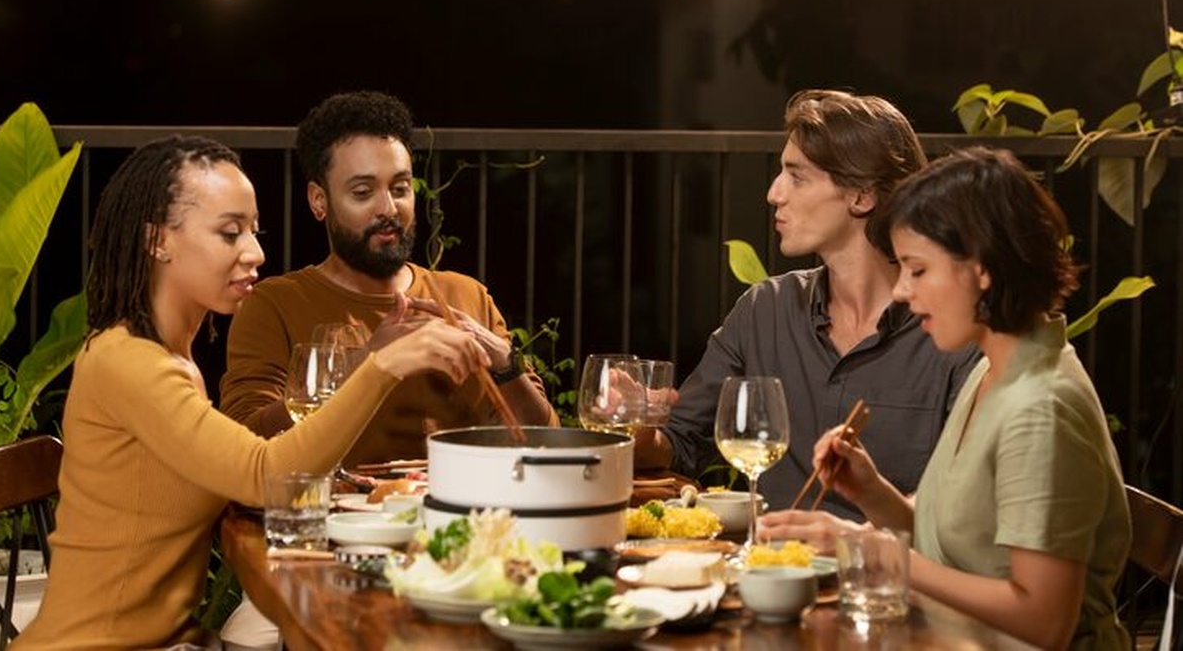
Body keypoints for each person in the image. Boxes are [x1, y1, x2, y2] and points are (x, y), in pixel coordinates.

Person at [14, 136, 489, 651]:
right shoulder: (127, 362)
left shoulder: (168, 358)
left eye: (253, 230)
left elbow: (252, 474)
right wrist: (382, 366)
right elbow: (267, 476)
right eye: (229, 233)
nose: (256, 252)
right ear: (158, 241)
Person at [759, 147, 1130, 650]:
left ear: (980, 268)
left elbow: (1044, 621)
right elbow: (961, 547)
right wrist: (873, 494)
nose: (902, 294)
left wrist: (863, 547)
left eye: (917, 269)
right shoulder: (994, 372)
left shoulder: (1040, 408)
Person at [635, 89, 979, 519]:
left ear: (861, 195)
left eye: (797, 177)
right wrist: (639, 429)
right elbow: (681, 443)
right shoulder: (765, 310)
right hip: (769, 574)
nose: (774, 193)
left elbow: (965, 510)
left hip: (889, 576)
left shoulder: (950, 332)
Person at [220, 91, 557, 465]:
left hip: (456, 517)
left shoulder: (466, 295)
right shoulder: (274, 304)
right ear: (319, 200)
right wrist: (370, 364)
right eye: (363, 192)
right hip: (334, 519)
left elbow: (540, 443)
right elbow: (244, 444)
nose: (388, 208)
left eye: (400, 189)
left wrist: (505, 364)